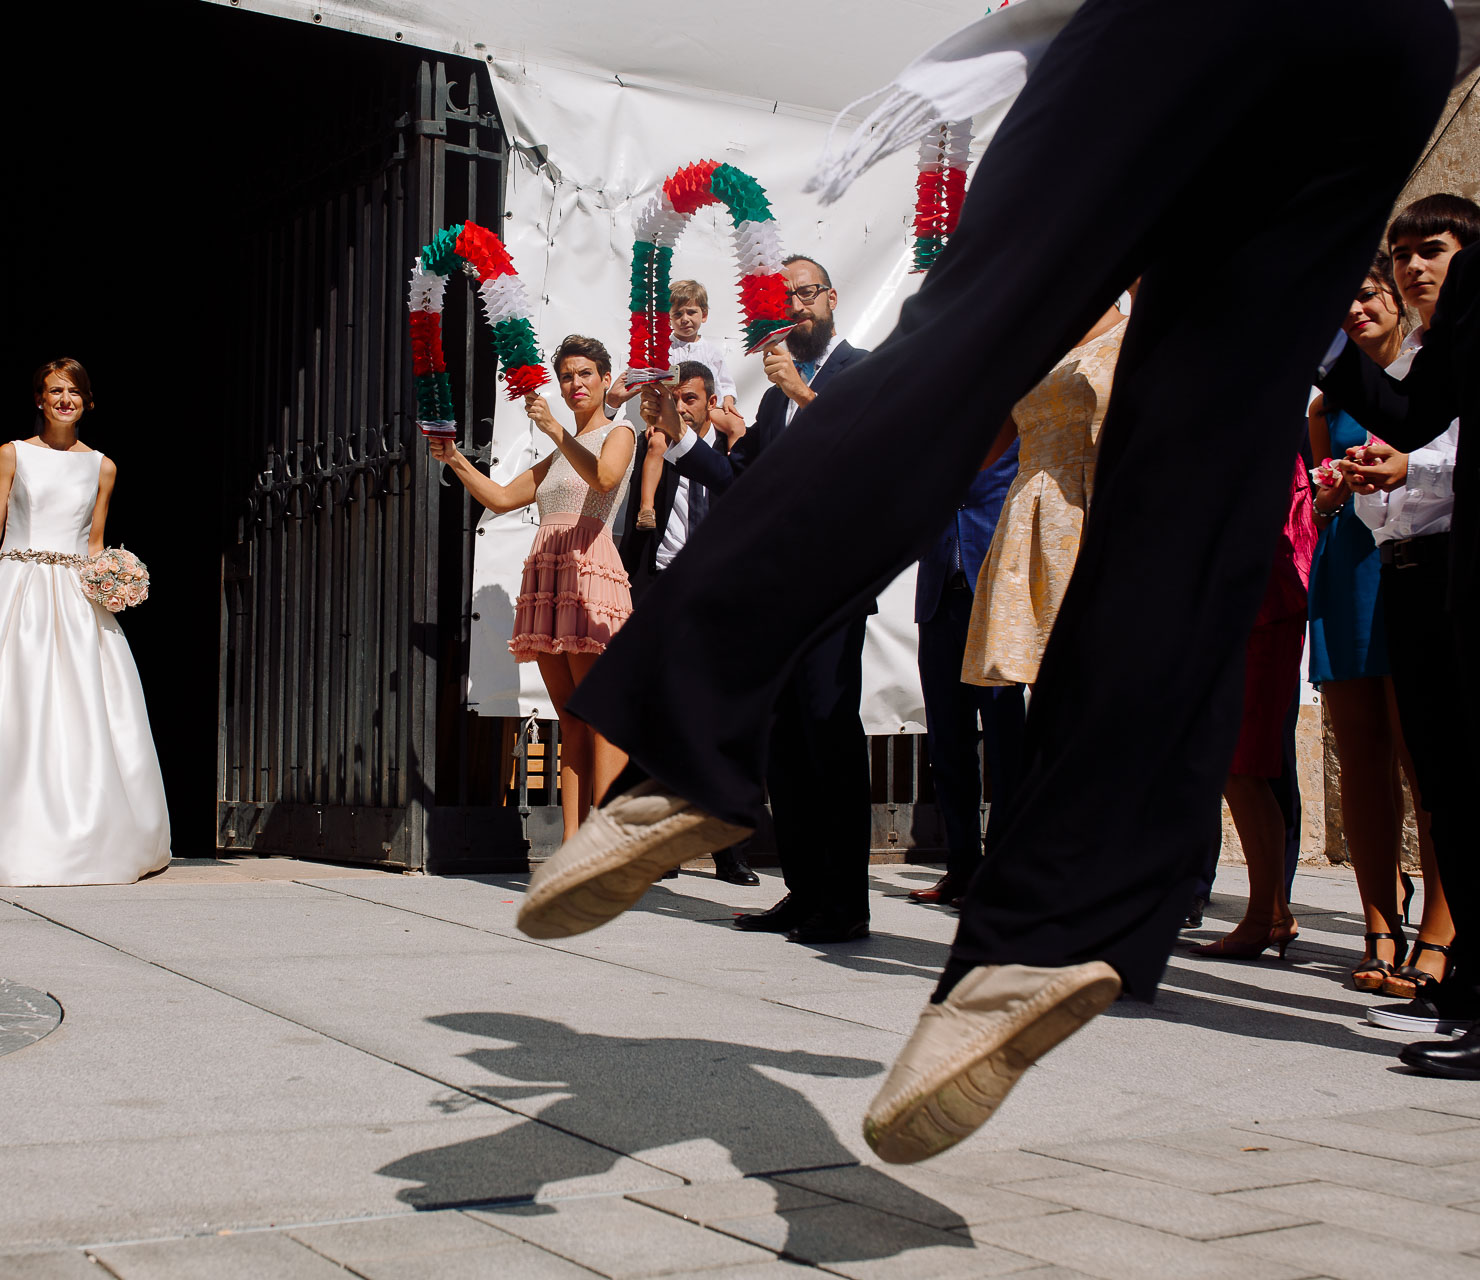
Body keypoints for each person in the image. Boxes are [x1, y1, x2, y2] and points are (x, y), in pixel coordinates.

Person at [516, 0, 1464, 1160]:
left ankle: (691, 730)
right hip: (1399, 44)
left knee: (967, 338)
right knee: (1205, 460)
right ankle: (1054, 926)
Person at [650, 256, 875, 944]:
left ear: (831, 298)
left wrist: (806, 397)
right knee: (787, 749)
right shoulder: (773, 398)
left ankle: (846, 903)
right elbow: (738, 482)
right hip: (775, 597)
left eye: (804, 296)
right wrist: (683, 434)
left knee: (831, 741)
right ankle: (804, 892)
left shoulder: (859, 372)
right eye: (783, 300)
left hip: (832, 591)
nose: (795, 309)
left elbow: (868, 456)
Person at [0, 359, 172, 885]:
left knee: (85, 711)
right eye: (55, 390)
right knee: (6, 704)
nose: (64, 399)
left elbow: (95, 541)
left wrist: (113, 580)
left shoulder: (103, 466)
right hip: (16, 588)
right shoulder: (12, 455)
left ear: (88, 402)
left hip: (75, 599)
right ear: (38, 398)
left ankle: (92, 833)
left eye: (74, 391)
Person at [1322, 192, 1477, 1078]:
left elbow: (1439, 450)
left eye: (1435, 250)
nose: (1415, 267)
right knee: (1448, 783)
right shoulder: (1432, 348)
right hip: (1413, 573)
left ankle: (1448, 958)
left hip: (1460, 566)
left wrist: (1409, 463)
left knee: (1457, 779)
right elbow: (1410, 432)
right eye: (1404, 252)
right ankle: (1465, 993)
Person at [431, 335, 635, 844]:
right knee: (571, 719)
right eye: (567, 375)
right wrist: (453, 457)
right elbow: (500, 498)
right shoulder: (556, 453)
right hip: (549, 579)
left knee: (600, 715)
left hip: (589, 573)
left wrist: (557, 431)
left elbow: (606, 479)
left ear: (605, 379)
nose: (576, 383)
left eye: (585, 373)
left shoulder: (620, 432)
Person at [1305, 253, 1435, 992]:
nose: (1356, 310)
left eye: (1367, 294)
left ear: (1395, 297)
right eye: (1343, 301)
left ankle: (1442, 931)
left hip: (1414, 567)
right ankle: (1378, 922)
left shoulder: (1429, 378)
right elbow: (1321, 498)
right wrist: (1330, 488)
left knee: (1425, 755)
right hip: (1347, 569)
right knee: (1360, 755)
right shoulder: (1329, 399)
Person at [618, 361, 758, 886]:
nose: (682, 406)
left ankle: (729, 850)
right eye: (676, 397)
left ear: (712, 401)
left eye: (692, 399)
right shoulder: (653, 444)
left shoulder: (736, 448)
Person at [961, 301, 1126, 686]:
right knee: (1052, 689)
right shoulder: (1029, 352)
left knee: (1108, 677)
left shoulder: (1137, 334)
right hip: (1031, 524)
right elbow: (979, 454)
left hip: (1097, 513)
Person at [1190, 458, 1314, 961]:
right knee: (1235, 767)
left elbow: (1288, 522)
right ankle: (1272, 914)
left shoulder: (1264, 427)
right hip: (1224, 605)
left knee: (1243, 766)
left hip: (1261, 603)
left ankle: (1268, 916)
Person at [909, 439, 1024, 907]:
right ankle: (961, 868)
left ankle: (1002, 870)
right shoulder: (940, 423)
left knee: (1004, 744)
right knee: (948, 746)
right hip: (940, 600)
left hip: (994, 597)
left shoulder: (1017, 419)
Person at [631, 282, 742, 530]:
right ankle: (646, 507)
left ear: (704, 314)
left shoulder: (711, 351)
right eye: (677, 314)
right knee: (657, 443)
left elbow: (726, 383)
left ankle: (737, 477)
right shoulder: (663, 349)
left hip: (707, 410)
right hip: (671, 412)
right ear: (668, 318)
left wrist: (728, 402)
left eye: (691, 312)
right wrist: (652, 421)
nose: (685, 319)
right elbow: (650, 387)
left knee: (737, 425)